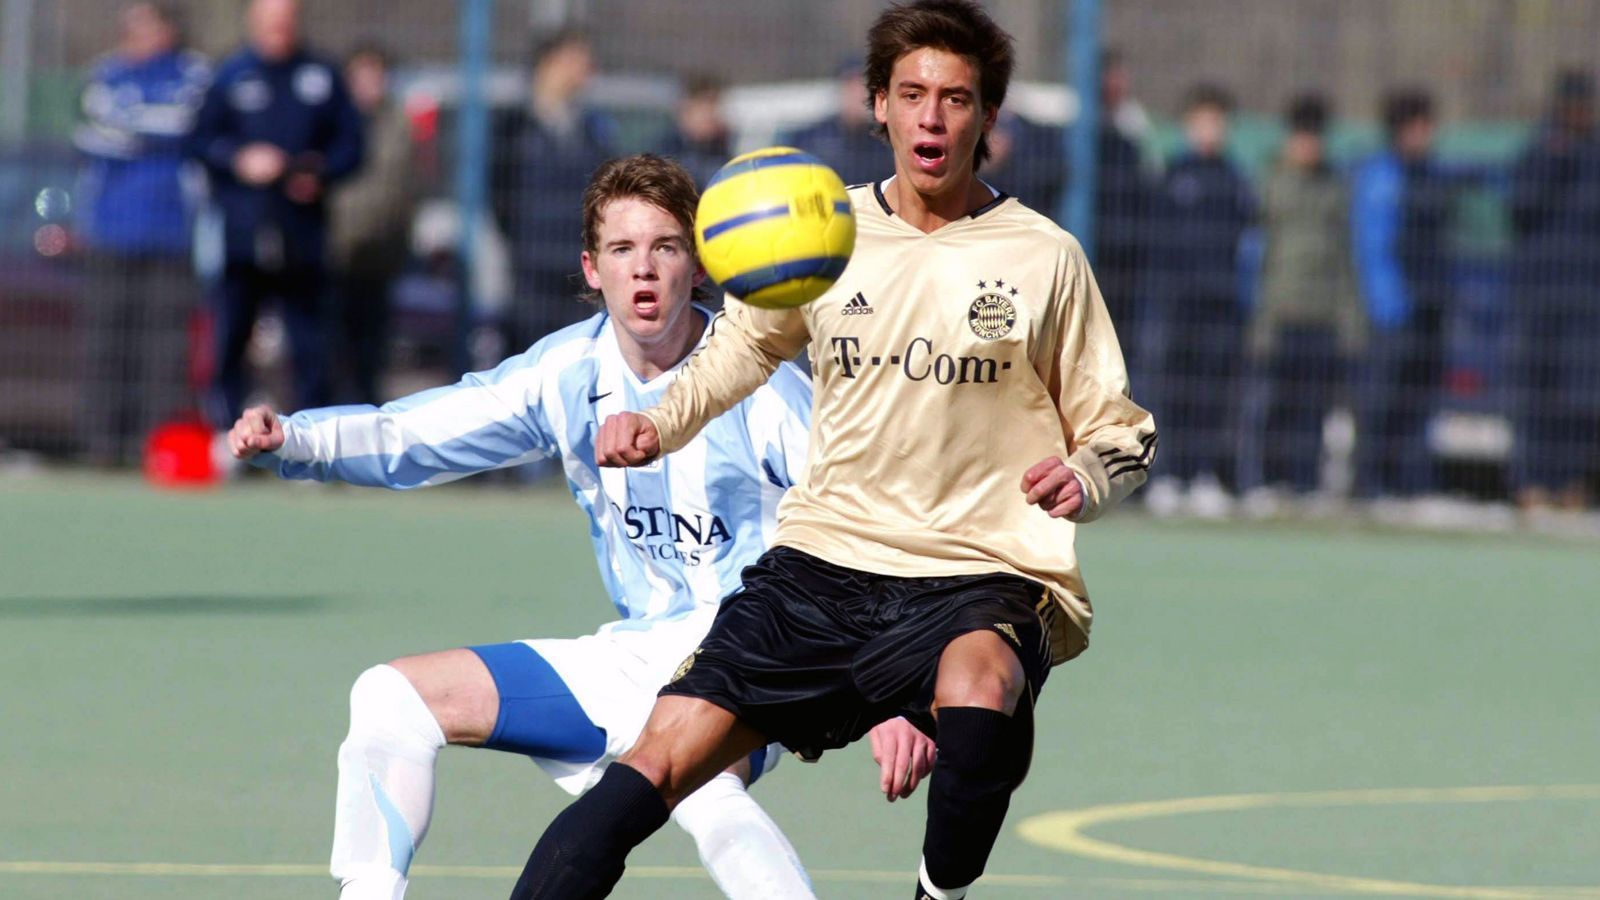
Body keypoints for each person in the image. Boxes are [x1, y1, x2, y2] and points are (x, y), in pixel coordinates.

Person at [510, 3, 1156, 898]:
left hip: (979, 566)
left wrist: (1086, 474)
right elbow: (741, 348)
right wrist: (663, 420)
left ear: (988, 120)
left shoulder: (1043, 257)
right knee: (651, 766)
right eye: (912, 94)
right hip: (823, 563)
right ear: (877, 107)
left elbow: (1121, 428)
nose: (932, 117)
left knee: (979, 696)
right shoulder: (825, 234)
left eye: (957, 98)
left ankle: (937, 893)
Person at [226, 154, 931, 900]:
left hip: (748, 657)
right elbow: (420, 434)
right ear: (593, 270)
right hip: (632, 656)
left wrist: (901, 694)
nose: (645, 270)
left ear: (700, 266)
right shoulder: (568, 371)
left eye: (665, 247)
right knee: (389, 696)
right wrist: (298, 441)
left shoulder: (762, 388)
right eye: (623, 251)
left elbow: (872, 525)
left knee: (703, 787)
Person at [186, 0, 363, 428]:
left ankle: (310, 440)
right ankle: (228, 434)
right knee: (231, 337)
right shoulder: (230, 75)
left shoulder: (321, 75)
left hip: (302, 235)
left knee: (310, 342)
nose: (277, 30)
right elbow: (199, 141)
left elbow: (352, 147)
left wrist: (318, 173)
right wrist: (238, 160)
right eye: (269, 22)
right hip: (242, 235)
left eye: (285, 22)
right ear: (254, 22)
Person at [73, 1, 210, 466]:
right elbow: (94, 130)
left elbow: (185, 124)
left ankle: (156, 446)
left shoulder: (192, 73)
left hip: (171, 234)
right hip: (111, 233)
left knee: (165, 349)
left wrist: (134, 124)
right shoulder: (106, 72)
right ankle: (102, 445)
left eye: (144, 26)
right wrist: (146, 126)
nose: (133, 35)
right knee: (106, 343)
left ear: (167, 29)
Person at [1239, 94, 1363, 507]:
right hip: (1279, 314)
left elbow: (1345, 258)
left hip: (1321, 315)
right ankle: (1263, 481)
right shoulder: (1269, 184)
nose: (1310, 146)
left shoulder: (1334, 187)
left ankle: (1307, 482)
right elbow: (1254, 256)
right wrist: (1258, 318)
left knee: (1313, 408)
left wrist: (1349, 318)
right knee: (1273, 404)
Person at [1141, 83, 1255, 518]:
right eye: (1201, 122)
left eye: (1217, 122)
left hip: (1220, 304)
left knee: (1213, 392)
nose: (1209, 131)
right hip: (1175, 302)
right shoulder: (1171, 176)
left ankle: (1204, 474)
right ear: (1187, 126)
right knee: (1172, 389)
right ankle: (1166, 475)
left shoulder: (1235, 181)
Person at [1350, 88, 1453, 502]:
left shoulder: (1432, 175)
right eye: (1417, 126)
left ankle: (1410, 483)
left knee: (1419, 398)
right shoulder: (1381, 176)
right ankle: (1369, 482)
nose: (1425, 134)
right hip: (1392, 312)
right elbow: (1373, 245)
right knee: (1381, 399)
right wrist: (1389, 302)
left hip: (1430, 305)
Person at [1507, 70, 1600, 513]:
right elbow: (1519, 208)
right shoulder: (1539, 150)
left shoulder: (1595, 154)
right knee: (1534, 394)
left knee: (1579, 400)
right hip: (1538, 295)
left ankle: (1571, 484)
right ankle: (1531, 484)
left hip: (1585, 300)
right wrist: (1552, 159)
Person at [494, 28, 616, 352]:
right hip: (532, 266)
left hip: (577, 266)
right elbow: (499, 194)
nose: (585, 70)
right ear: (549, 64)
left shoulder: (593, 129)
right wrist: (520, 239)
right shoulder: (514, 127)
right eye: (575, 60)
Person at [328, 41, 416, 405]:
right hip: (333, 255)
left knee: (370, 352)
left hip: (379, 256)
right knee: (330, 349)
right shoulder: (332, 121)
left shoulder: (398, 124)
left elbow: (407, 188)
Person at [786, 56, 889, 186]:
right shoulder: (810, 141)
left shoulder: (884, 144)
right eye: (851, 87)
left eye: (862, 87)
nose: (857, 94)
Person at [656, 72, 733, 189]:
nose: (712, 114)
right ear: (686, 109)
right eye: (706, 105)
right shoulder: (664, 158)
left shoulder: (721, 152)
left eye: (715, 106)